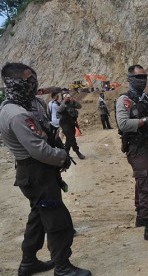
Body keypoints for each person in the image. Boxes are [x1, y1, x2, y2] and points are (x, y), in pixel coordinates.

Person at [0, 62, 91, 276]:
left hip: (37, 173)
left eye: (34, 79)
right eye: (28, 80)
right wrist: (62, 157)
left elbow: (48, 131)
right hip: (36, 173)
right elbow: (39, 150)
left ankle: (28, 262)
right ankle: (62, 267)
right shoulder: (16, 115)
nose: (34, 83)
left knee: (38, 218)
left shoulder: (28, 105)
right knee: (57, 220)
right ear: (15, 83)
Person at [115, 64, 148, 244]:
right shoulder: (125, 99)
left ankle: (141, 215)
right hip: (137, 147)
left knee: (145, 181)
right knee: (146, 185)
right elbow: (122, 124)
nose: (143, 80)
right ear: (130, 79)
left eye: (144, 76)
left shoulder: (144, 97)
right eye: (138, 77)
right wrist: (144, 121)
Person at [57, 93, 86, 159]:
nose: (68, 98)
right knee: (72, 138)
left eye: (69, 97)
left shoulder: (72, 103)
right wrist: (64, 101)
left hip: (71, 122)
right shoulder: (62, 104)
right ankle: (77, 152)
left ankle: (65, 153)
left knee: (69, 138)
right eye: (67, 97)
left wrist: (74, 101)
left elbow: (79, 106)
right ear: (64, 98)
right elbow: (59, 110)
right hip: (65, 123)